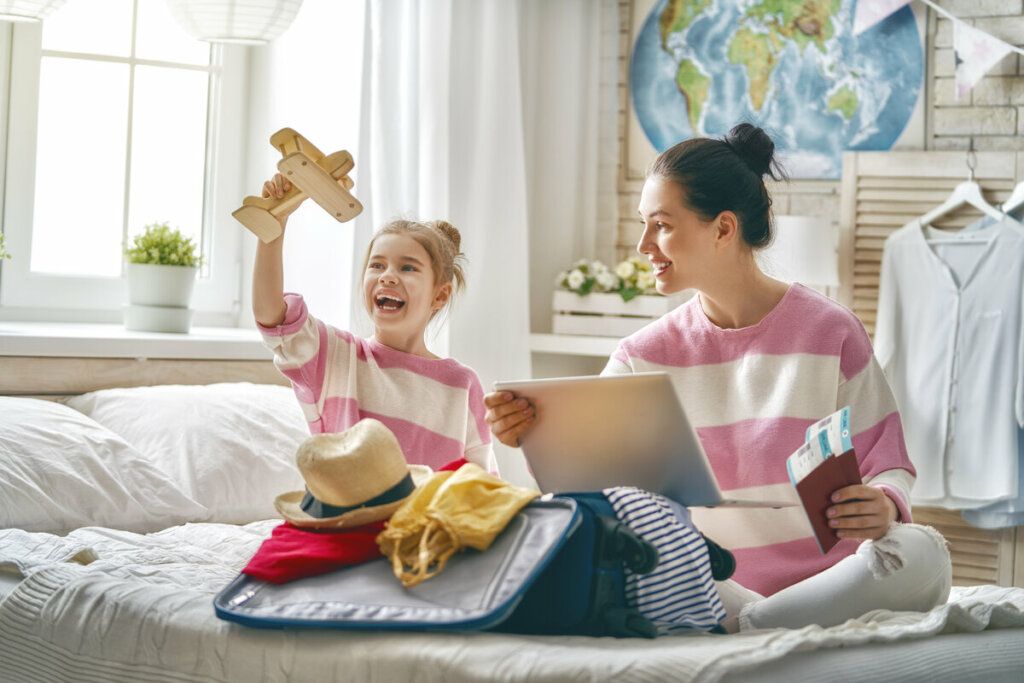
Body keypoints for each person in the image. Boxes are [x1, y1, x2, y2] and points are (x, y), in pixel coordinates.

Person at [485, 123, 951, 632]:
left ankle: (757, 625)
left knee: (921, 551)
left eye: (660, 224)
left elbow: (889, 463)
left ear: (724, 229)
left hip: (830, 580)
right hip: (710, 582)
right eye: (643, 224)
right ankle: (763, 622)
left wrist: (883, 504)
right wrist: (522, 437)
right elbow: (580, 490)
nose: (643, 244)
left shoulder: (831, 332)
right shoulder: (641, 354)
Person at [253, 173, 496, 474]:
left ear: (440, 295)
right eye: (377, 265)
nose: (387, 276)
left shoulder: (462, 384)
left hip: (429, 520)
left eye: (407, 267)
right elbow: (272, 317)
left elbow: (481, 486)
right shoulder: (337, 357)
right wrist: (272, 231)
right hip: (349, 520)